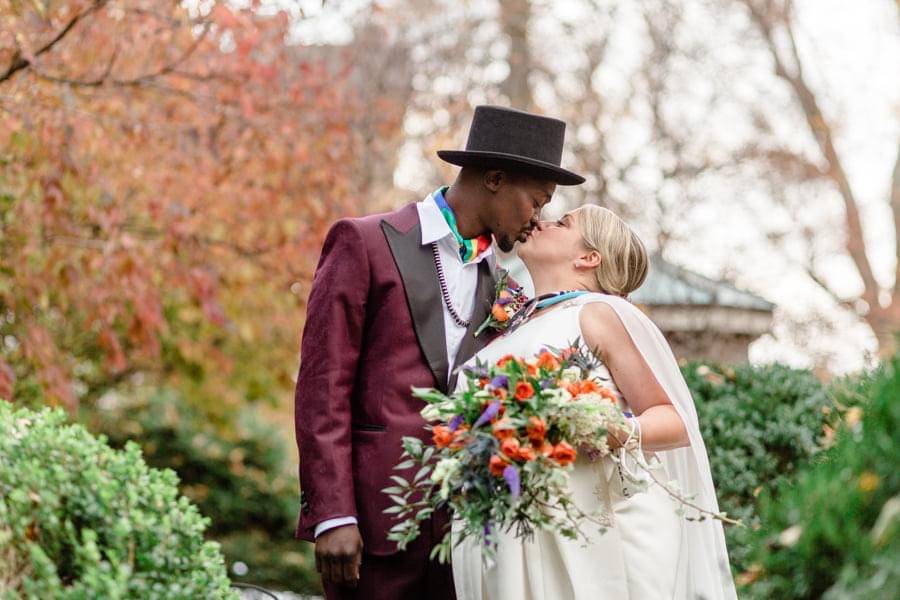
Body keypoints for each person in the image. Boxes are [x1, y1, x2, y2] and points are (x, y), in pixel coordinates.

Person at [294, 105, 585, 599]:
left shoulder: (503, 284)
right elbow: (323, 388)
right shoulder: (365, 242)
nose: (538, 219)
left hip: (468, 537)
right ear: (494, 178)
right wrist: (332, 513)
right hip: (371, 527)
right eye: (536, 201)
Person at [452, 205, 738, 600]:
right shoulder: (505, 329)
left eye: (563, 222)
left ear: (589, 258)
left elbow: (674, 420)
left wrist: (610, 428)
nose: (542, 221)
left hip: (591, 537)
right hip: (508, 531)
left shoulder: (598, 313)